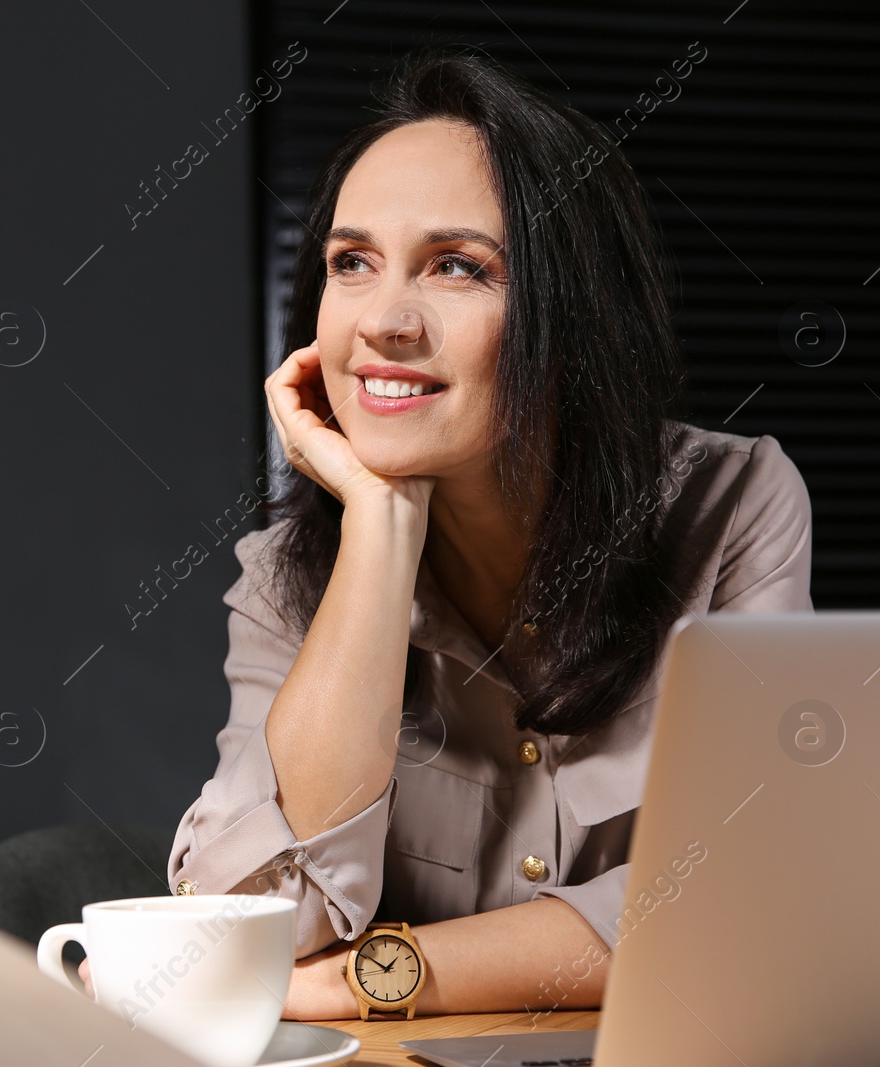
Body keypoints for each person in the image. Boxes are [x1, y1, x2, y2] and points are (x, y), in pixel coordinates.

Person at [164, 47, 814, 1020]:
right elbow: (249, 916)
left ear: (572, 314)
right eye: (352, 263)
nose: (382, 319)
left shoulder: (731, 503)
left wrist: (367, 977)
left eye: (457, 266)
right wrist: (380, 526)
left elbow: (751, 894)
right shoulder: (281, 581)